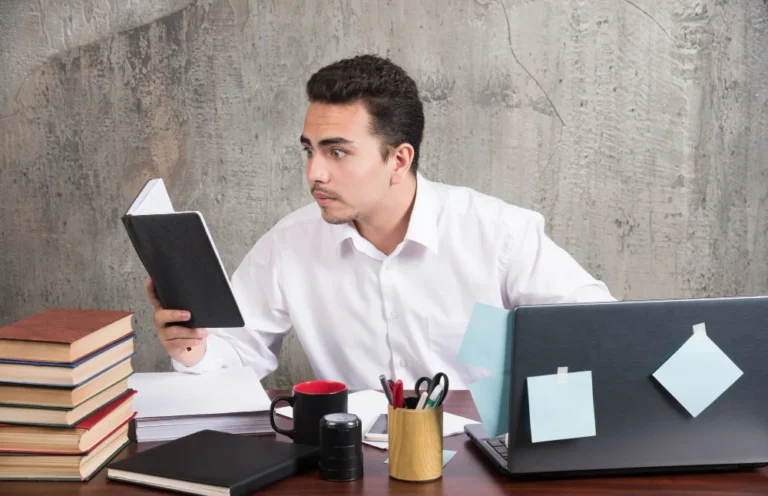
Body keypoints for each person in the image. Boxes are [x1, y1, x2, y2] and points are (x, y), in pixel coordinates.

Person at [147, 54, 615, 390]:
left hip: (482, 466)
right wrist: (194, 350)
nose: (314, 172)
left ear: (399, 159)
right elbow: (234, 354)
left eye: (337, 151)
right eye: (309, 149)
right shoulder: (289, 244)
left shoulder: (499, 234)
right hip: (355, 467)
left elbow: (601, 331)